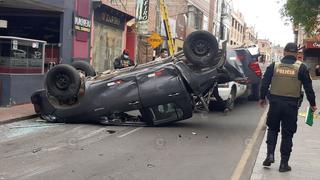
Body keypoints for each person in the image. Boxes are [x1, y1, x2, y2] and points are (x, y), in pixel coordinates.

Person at [259, 42, 317, 172]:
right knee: (287, 134)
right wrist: (313, 104)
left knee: (272, 129)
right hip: (291, 106)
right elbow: (308, 88)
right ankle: (284, 164)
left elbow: (264, 83)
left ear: (284, 52)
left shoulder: (274, 66)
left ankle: (269, 155)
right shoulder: (301, 68)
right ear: (296, 54)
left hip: (275, 105)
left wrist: (262, 97)